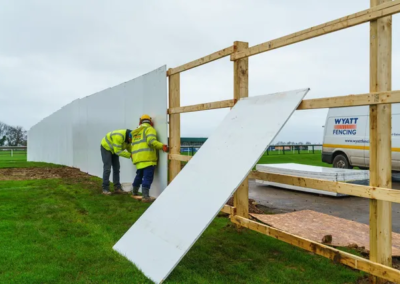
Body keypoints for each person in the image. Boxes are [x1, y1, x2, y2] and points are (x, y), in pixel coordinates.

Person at [130, 114, 168, 202]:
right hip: (147, 158)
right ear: (150, 122)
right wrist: (162, 146)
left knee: (139, 176)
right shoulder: (149, 129)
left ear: (140, 122)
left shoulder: (136, 132)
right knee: (147, 177)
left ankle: (134, 192)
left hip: (138, 159)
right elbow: (151, 142)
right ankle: (145, 197)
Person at [100, 129, 132, 195]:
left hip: (114, 149)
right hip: (106, 147)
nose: (131, 141)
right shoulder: (119, 137)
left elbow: (129, 148)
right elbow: (118, 151)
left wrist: (135, 154)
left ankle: (117, 188)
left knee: (116, 168)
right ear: (128, 137)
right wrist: (130, 155)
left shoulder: (128, 138)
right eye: (131, 140)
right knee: (107, 168)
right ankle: (105, 189)